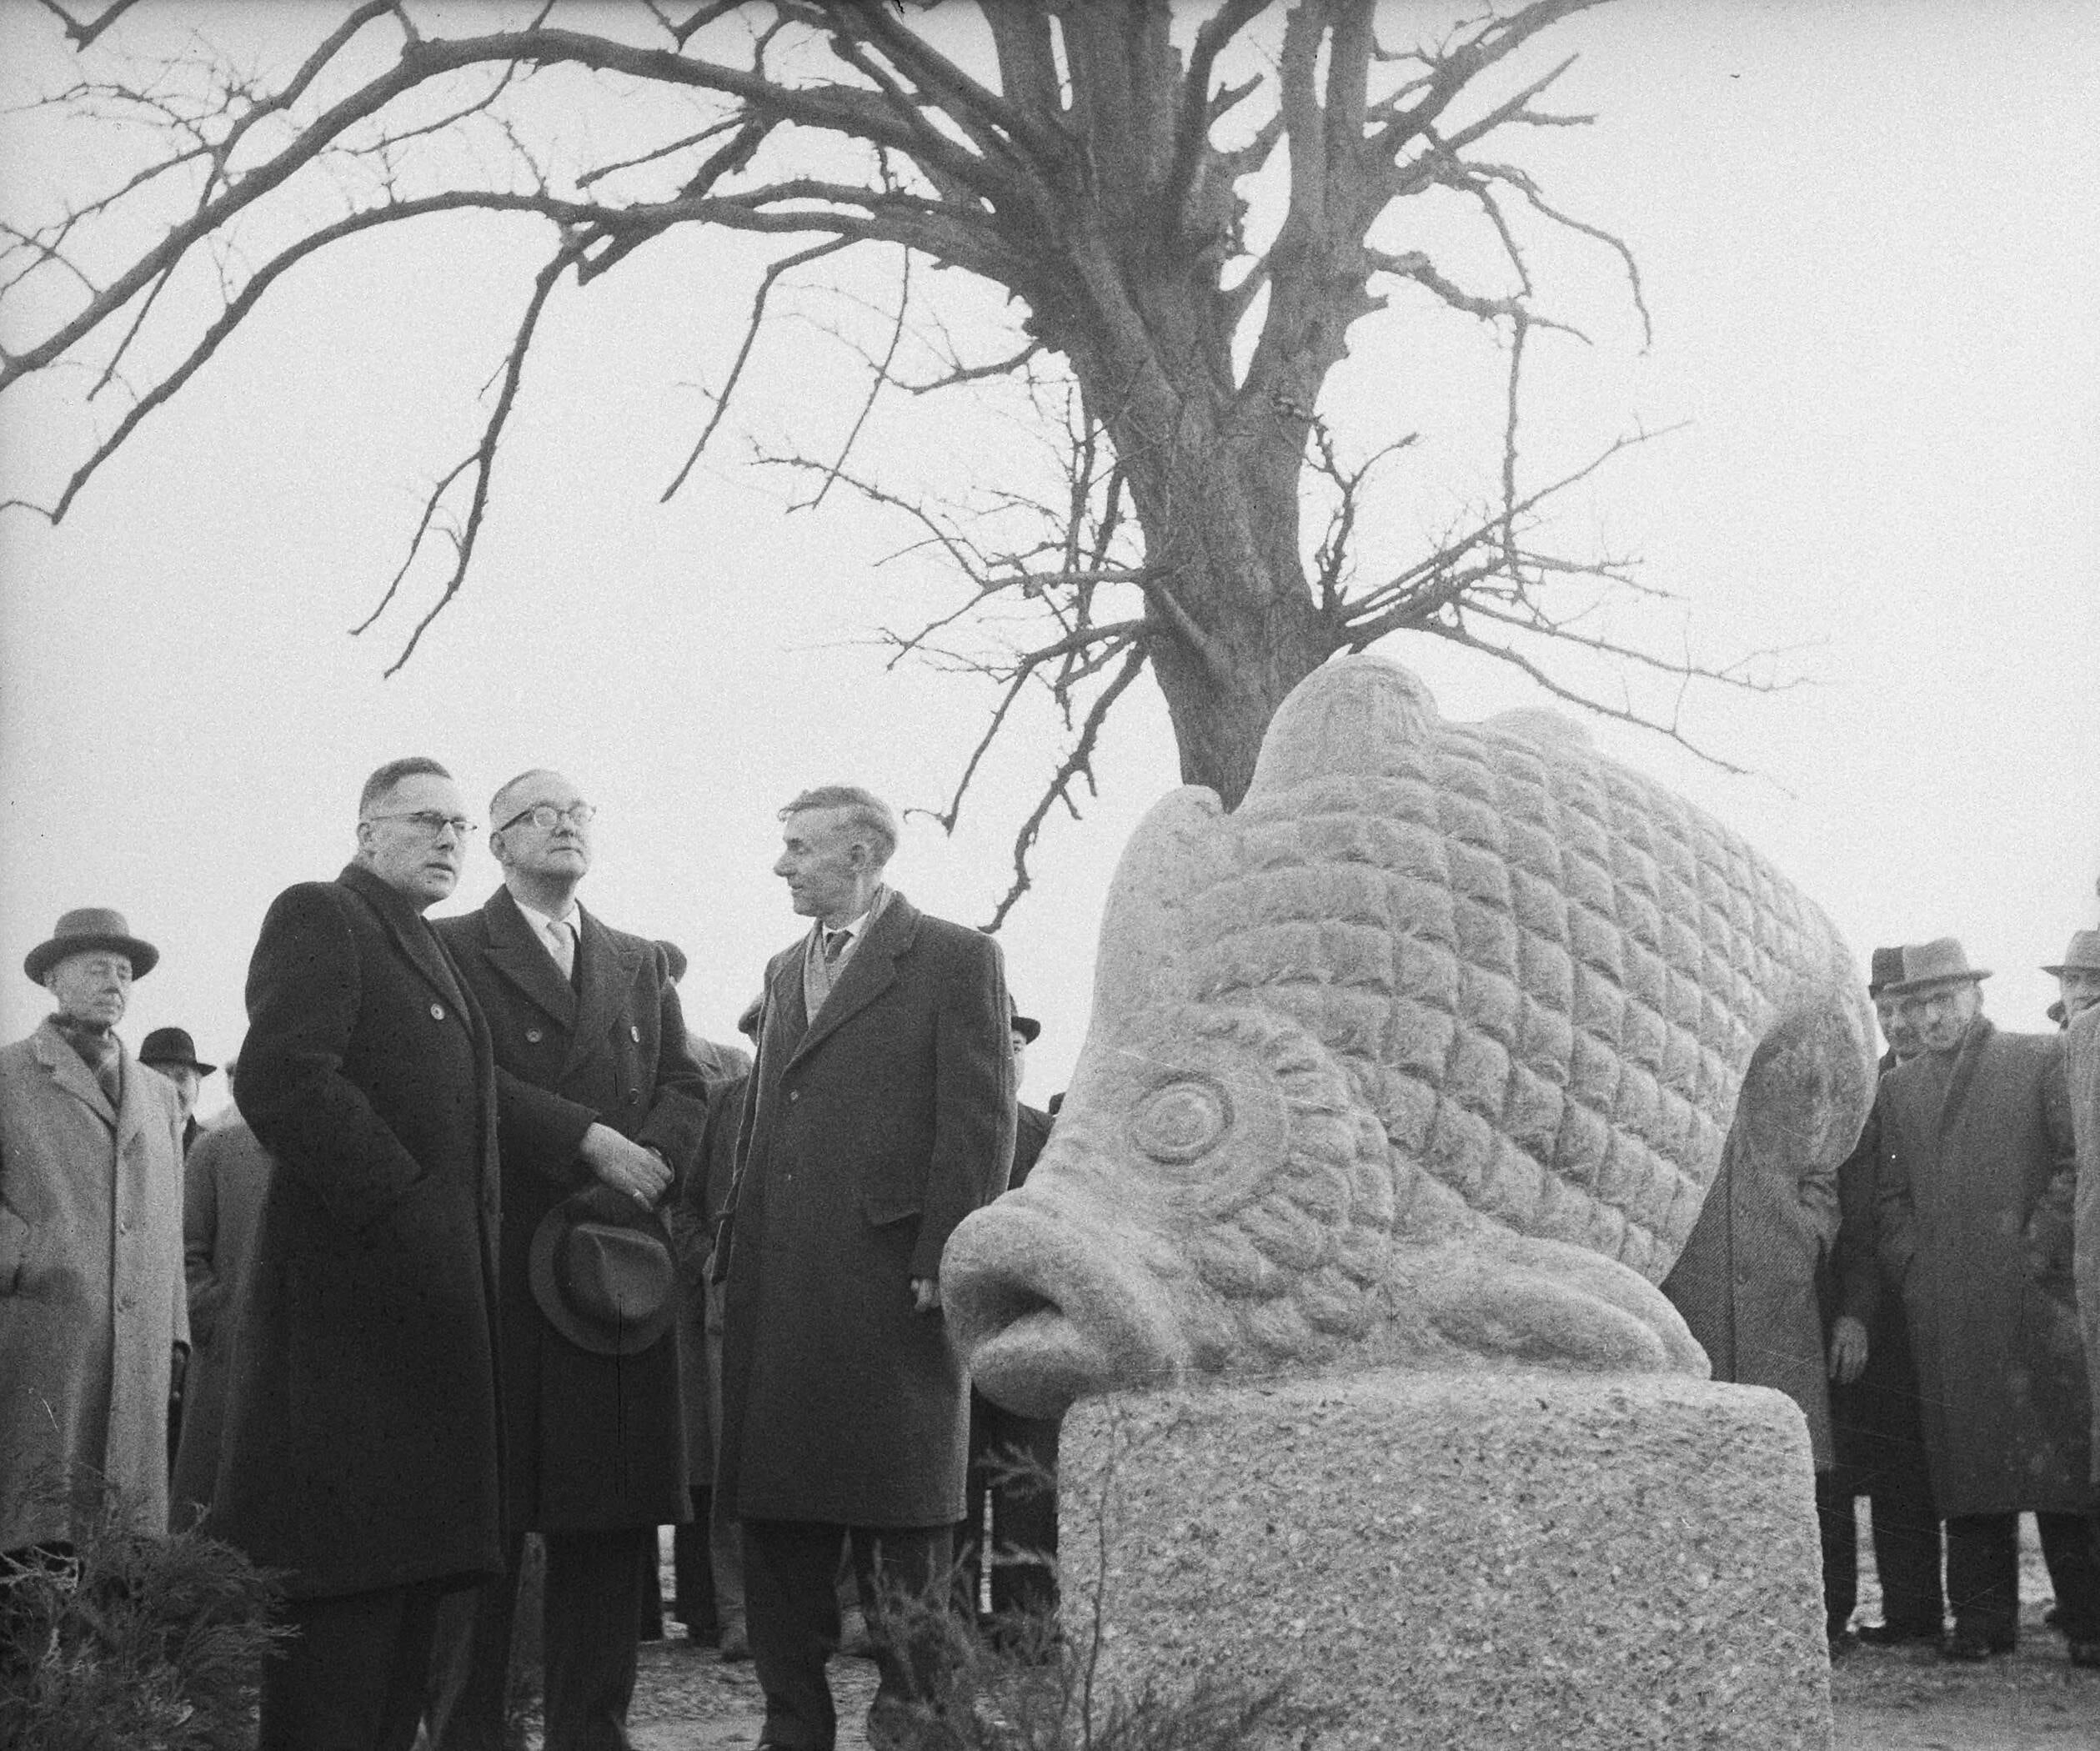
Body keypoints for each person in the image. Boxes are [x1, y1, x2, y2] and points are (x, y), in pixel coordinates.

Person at [209, 757, 506, 1751]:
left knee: (402, 1614)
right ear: (367, 828)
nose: (449, 841)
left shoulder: (425, 944)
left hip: (420, 1331)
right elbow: (283, 1079)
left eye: (462, 827)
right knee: (339, 1629)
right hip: (347, 1338)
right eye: (425, 821)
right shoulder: (322, 914)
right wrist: (410, 1208)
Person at [717, 785, 1015, 1751]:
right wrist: (735, 1252)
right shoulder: (781, 964)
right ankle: (791, 1726)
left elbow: (978, 1121)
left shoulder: (954, 958)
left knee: (903, 1521)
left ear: (859, 855)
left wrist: (944, 1254)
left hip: (894, 1287)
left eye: (798, 848)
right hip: (781, 1289)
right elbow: (766, 1129)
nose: (780, 865)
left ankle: (917, 1723)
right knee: (779, 1517)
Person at [427, 768, 710, 1751]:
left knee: (607, 1524)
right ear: (496, 844)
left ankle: (594, 1734)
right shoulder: (449, 948)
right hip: (503, 1267)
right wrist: (586, 1139)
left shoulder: (638, 961)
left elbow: (685, 1084)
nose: (562, 827)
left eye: (577, 813)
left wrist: (647, 1164)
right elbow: (453, 1079)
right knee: (486, 1532)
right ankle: (469, 1732)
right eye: (535, 816)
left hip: (612, 1277)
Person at [1875, 936, 2097, 1663]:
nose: (1932, 1016)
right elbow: (1890, 1199)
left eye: (1944, 999)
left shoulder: (2038, 1057)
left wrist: (2036, 1250)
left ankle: (2090, 1624)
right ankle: (1981, 1627)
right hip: (1949, 1311)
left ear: (1975, 996)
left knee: (2058, 1473)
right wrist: (1918, 1269)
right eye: (1917, 1004)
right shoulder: (1897, 1091)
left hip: (2036, 1304)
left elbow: (2075, 1164)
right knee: (1968, 1475)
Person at [1661, 976, 1843, 1643]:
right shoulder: (1679, 1060)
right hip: (1695, 1292)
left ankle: (1824, 1619)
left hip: (1779, 1297)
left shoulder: (1798, 1065)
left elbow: (1825, 1170)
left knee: (1797, 1461)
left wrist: (1802, 1234)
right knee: (1703, 1465)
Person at [0, 908, 187, 1556]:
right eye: (98, 967)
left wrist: (176, 1334)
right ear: (54, 978)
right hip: (42, 1333)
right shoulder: (8, 1076)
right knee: (34, 1529)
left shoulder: (161, 1096)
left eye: (126, 971)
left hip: (137, 1353)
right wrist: (32, 1255)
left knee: (121, 1545)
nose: (117, 982)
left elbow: (171, 1219)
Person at [1817, 947, 1943, 1648]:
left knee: (1912, 1468)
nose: (1898, 1021)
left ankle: (1919, 1613)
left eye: (1907, 1006)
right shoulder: (1861, 1092)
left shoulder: (1951, 1084)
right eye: (1885, 1009)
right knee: (1875, 1459)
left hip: (1926, 1299)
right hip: (1867, 1303)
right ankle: (1896, 1615)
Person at [955, 1005, 1061, 1646]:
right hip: (953, 1344)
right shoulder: (946, 1128)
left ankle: (1028, 1624)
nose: (1010, 1054)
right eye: (999, 1042)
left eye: (1019, 1042)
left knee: (1029, 1489)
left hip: (1029, 1341)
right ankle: (954, 1628)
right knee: (955, 1492)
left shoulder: (1052, 1137)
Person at [169, 1057, 275, 1530]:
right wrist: (220, 1315)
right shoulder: (215, 1151)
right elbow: (186, 1256)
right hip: (226, 1362)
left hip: (299, 1356)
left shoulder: (326, 1153)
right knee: (207, 1507)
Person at [138, 1026, 218, 1156]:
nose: (171, 1087)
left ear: (197, 1088)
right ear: (139, 1086)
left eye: (182, 1077)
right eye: (160, 1077)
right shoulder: (123, 1146)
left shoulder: (214, 1151)